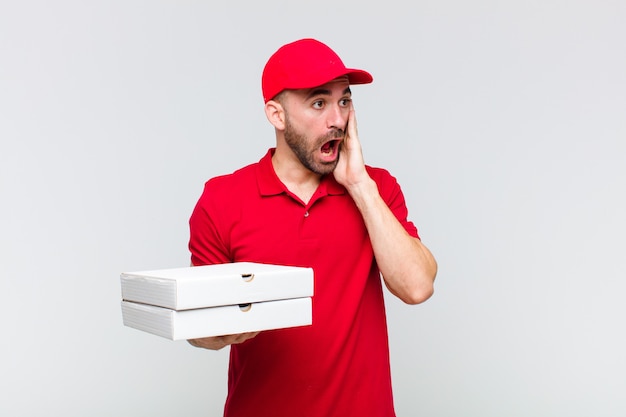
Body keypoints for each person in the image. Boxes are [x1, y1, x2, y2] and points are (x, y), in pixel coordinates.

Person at [187, 38, 437, 417]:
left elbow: (417, 286)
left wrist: (359, 186)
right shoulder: (222, 200)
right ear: (277, 115)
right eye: (319, 103)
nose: (337, 119)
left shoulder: (378, 189)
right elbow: (198, 326)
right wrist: (221, 332)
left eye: (344, 101)